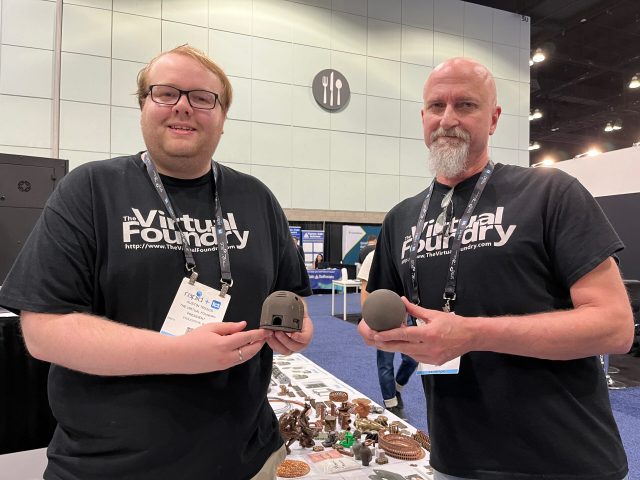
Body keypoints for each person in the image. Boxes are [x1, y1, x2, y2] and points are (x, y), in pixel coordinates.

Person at [0, 45, 314, 480]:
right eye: (165, 93)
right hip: (111, 466)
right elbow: (43, 331)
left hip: (246, 459)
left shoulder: (256, 198)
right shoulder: (89, 190)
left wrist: (297, 328)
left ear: (222, 118)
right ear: (143, 105)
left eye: (203, 97)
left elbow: (290, 293)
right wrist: (177, 354)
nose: (184, 106)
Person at [358, 57, 633, 480]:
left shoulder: (550, 193)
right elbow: (381, 313)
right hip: (456, 461)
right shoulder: (402, 218)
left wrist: (472, 334)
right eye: (436, 106)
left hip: (565, 460)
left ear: (494, 118)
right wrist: (381, 334)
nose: (447, 119)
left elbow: (615, 328)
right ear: (423, 117)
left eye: (465, 105)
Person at [358, 250, 417, 420]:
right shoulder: (372, 257)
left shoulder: (406, 252)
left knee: (413, 358)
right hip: (383, 316)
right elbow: (365, 287)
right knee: (385, 362)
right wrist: (367, 316)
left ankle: (397, 387)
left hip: (408, 313)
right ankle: (391, 403)